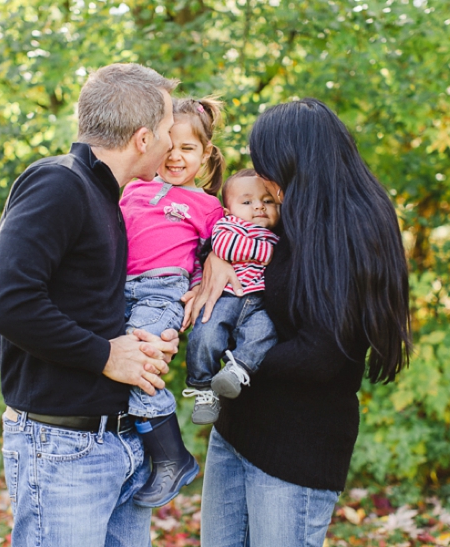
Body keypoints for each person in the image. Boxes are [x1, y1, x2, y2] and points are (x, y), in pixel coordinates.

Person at [187, 98, 412, 547]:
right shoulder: (286, 210)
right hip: (237, 429)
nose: (259, 174)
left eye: (264, 162)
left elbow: (320, 355)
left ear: (294, 159)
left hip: (297, 447)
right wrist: (217, 256)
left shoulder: (354, 229)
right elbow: (243, 246)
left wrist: (235, 360)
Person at [0, 63, 182, 547]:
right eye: (168, 128)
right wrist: (108, 355)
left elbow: (92, 308)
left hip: (120, 444)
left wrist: (148, 342)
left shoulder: (109, 198)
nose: (173, 140)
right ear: (141, 138)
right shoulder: (59, 183)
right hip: (62, 449)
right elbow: (7, 304)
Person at [119, 97, 225, 507]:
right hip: (119, 289)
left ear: (205, 154)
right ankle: (138, 451)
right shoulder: (133, 189)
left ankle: (171, 457)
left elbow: (217, 254)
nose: (176, 156)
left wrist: (200, 286)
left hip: (162, 292)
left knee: (141, 359)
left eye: (189, 148)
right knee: (114, 364)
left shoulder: (209, 205)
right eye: (171, 145)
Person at [182, 169, 280, 425]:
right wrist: (271, 253)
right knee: (205, 333)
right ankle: (203, 388)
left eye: (267, 200)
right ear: (228, 210)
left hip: (260, 302)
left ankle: (237, 371)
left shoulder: (281, 232)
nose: (259, 206)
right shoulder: (229, 226)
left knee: (265, 332)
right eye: (247, 202)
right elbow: (227, 247)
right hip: (226, 297)